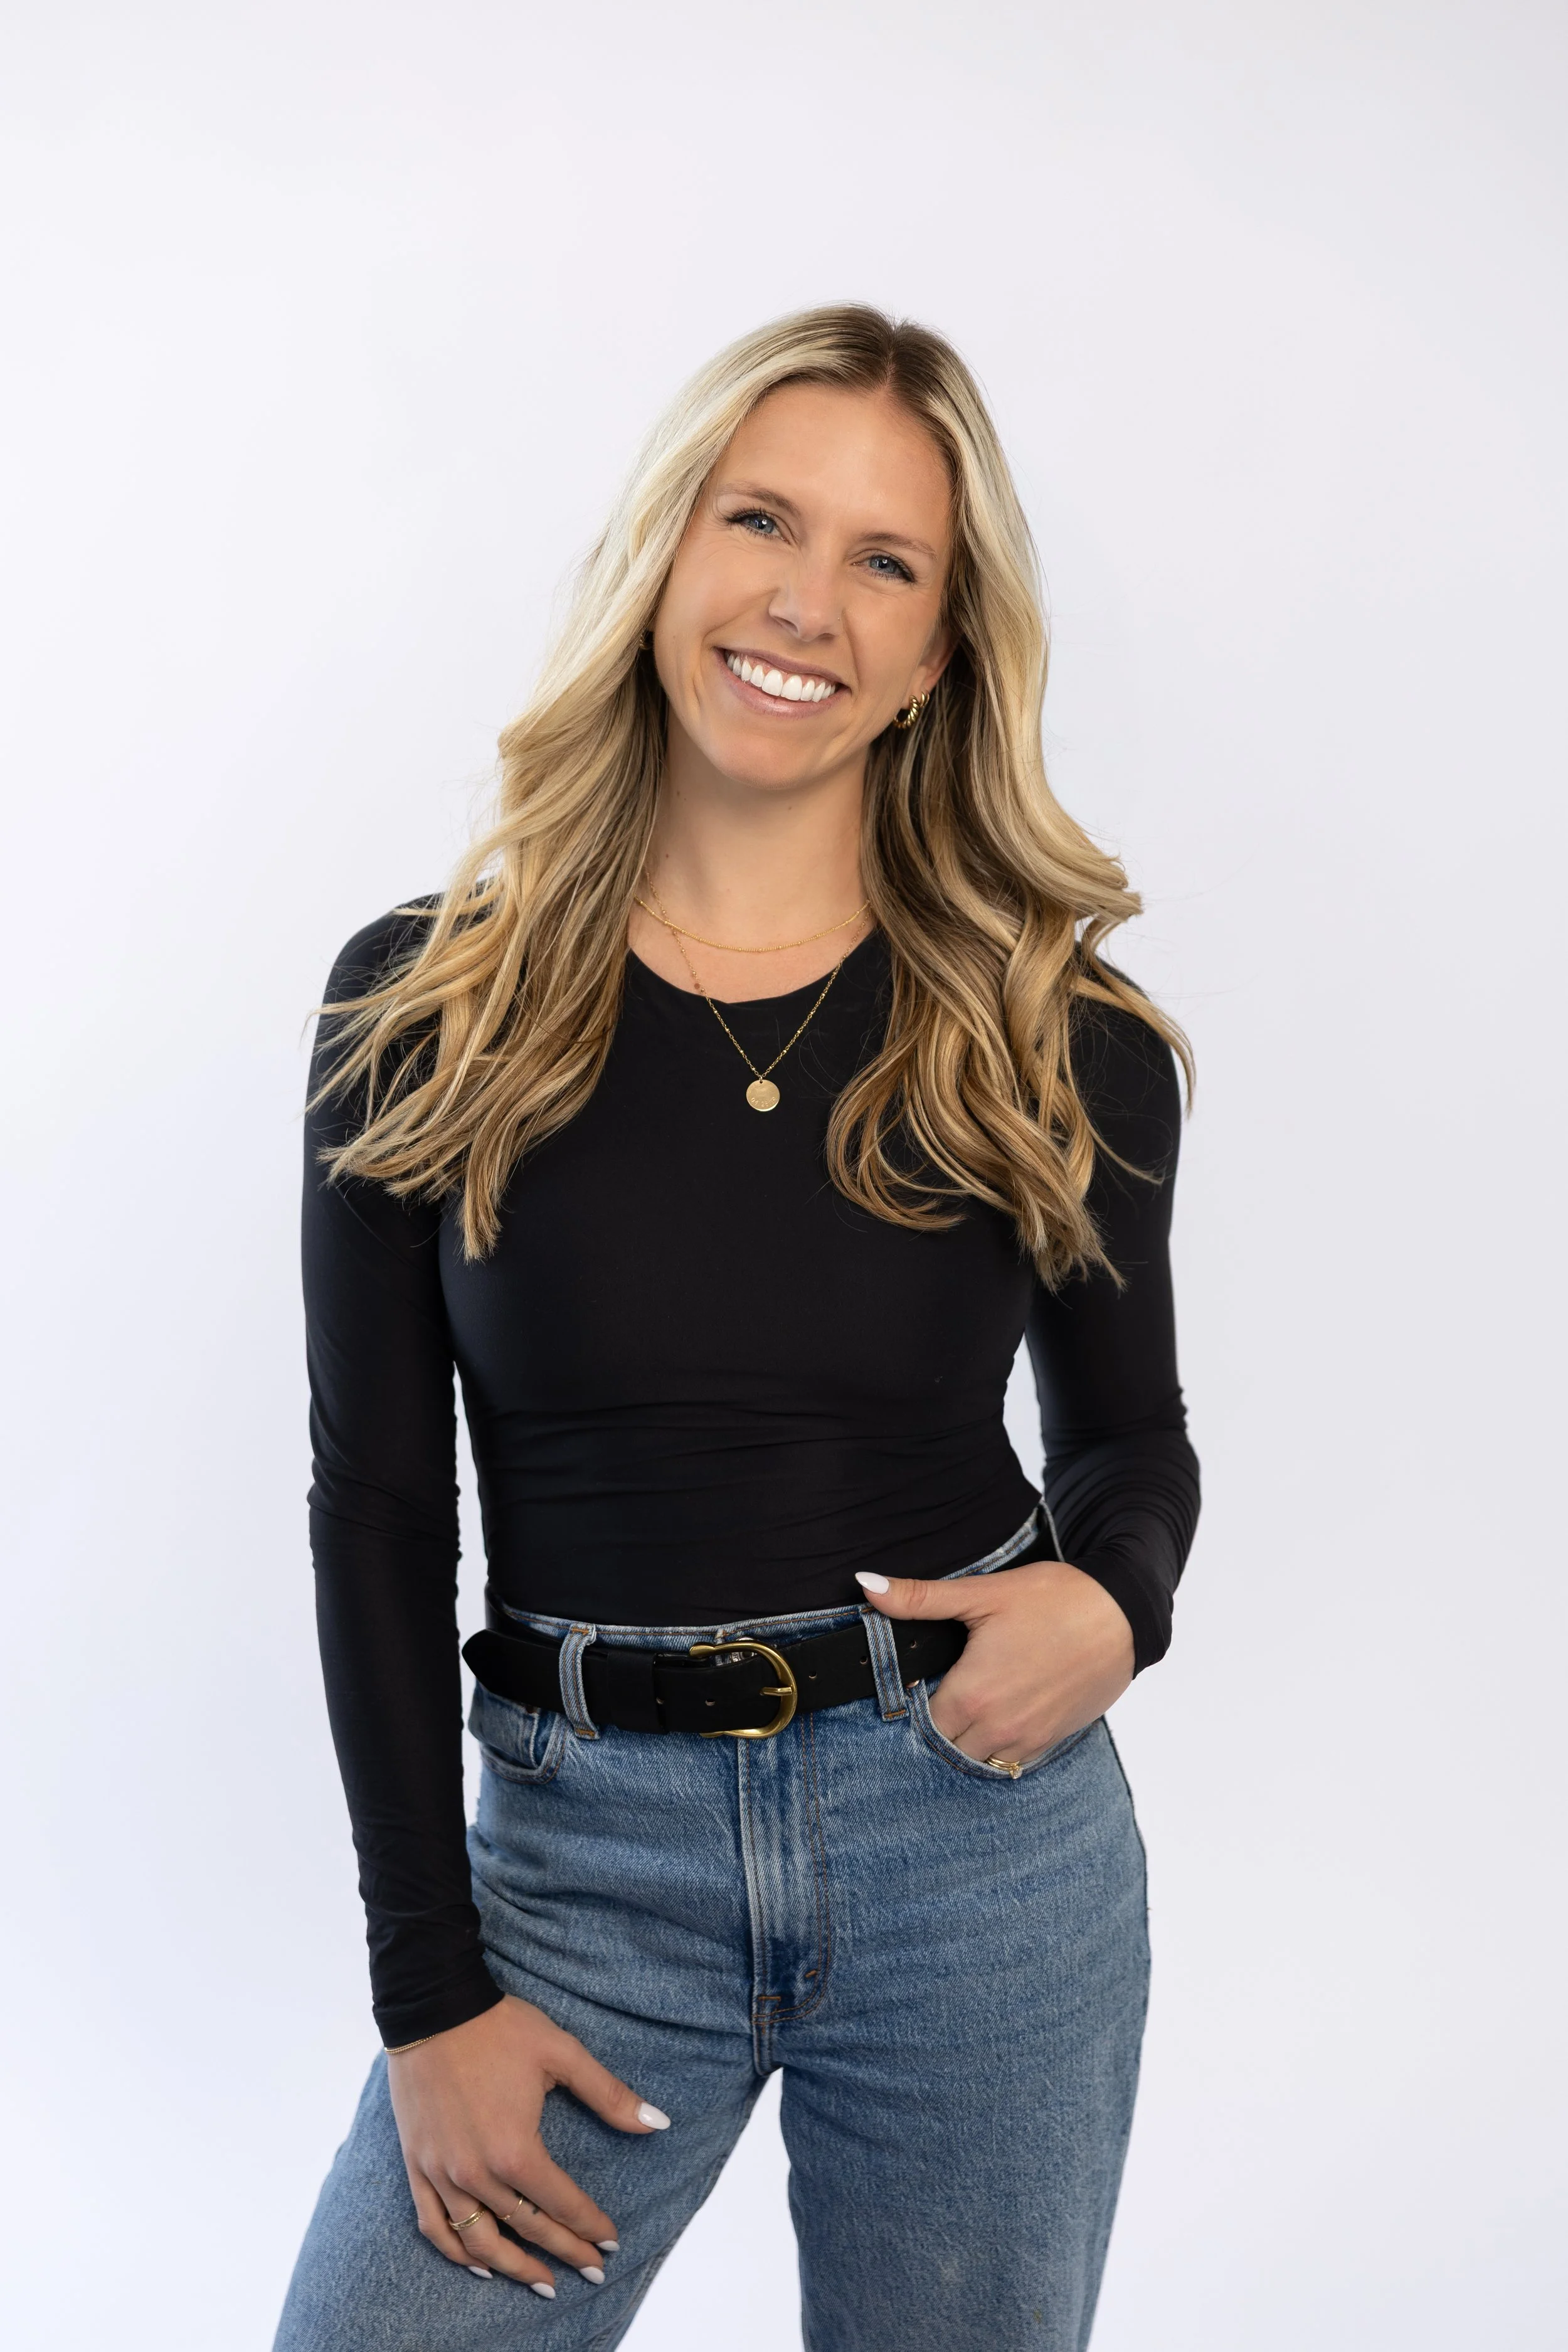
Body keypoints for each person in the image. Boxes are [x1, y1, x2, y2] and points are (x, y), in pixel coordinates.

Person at [274, 304, 1199, 2352]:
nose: (806, 600)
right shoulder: (424, 1006)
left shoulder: (1052, 1030)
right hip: (576, 1874)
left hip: (978, 1844)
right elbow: (372, 1514)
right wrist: (426, 1987)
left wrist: (1117, 1600)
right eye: (757, 518)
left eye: (888, 561)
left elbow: (1134, 1442)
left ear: (942, 649)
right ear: (663, 553)